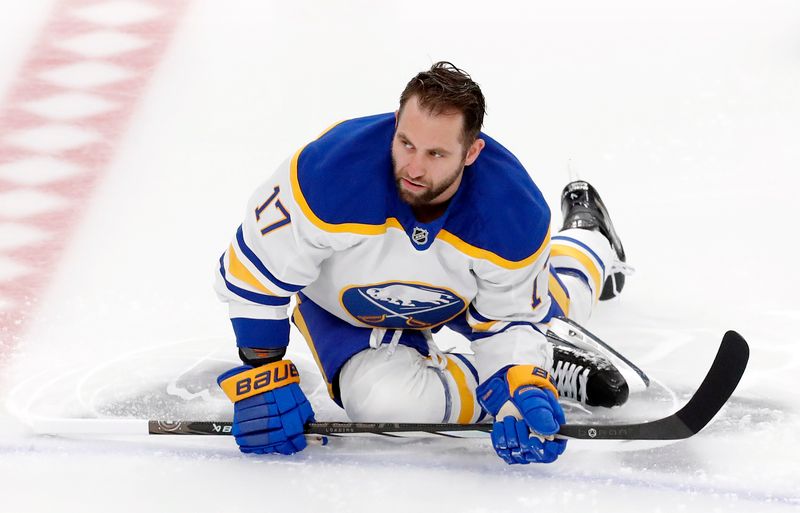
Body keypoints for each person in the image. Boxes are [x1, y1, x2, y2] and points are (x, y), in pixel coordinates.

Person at [214, 62, 630, 465]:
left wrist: (516, 380)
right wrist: (262, 372)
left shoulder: (512, 212)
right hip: (345, 307)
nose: (413, 167)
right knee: (389, 404)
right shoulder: (326, 174)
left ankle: (589, 234)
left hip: (458, 294)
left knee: (565, 302)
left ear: (471, 152)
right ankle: (544, 368)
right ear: (396, 122)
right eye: (406, 143)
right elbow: (255, 273)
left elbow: (513, 319)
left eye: (436, 153)